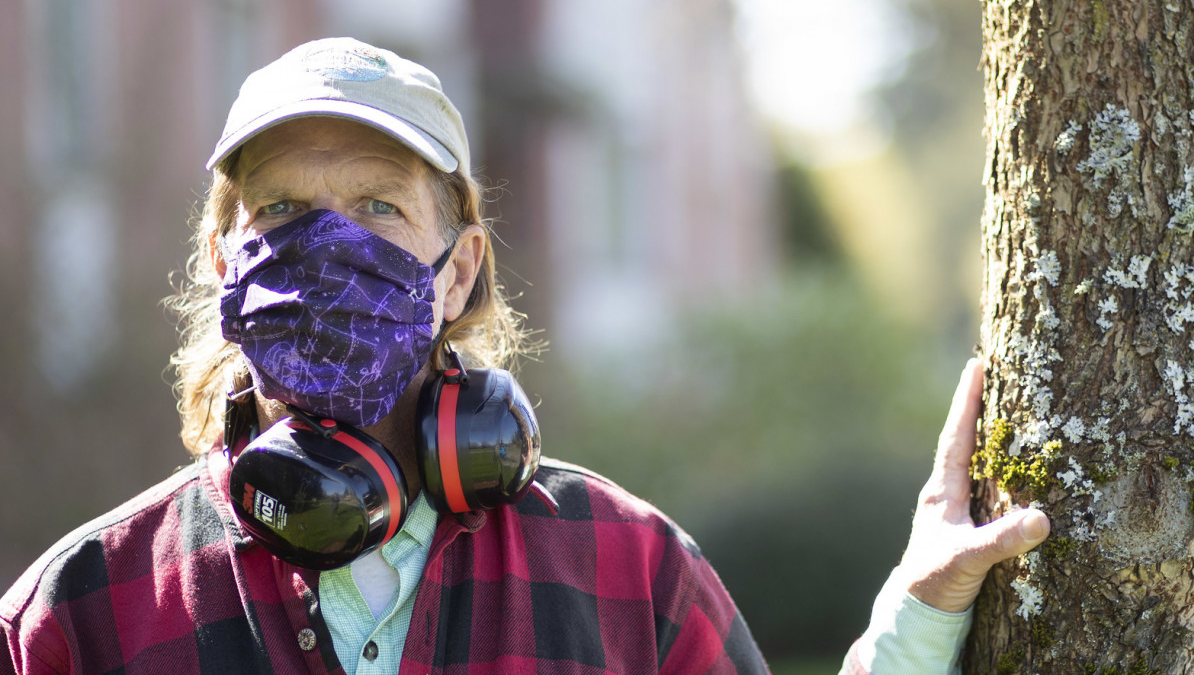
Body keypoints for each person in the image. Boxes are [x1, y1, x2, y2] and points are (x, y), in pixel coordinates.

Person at [0, 38, 1049, 674]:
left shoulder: (625, 570)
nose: (325, 245)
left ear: (456, 272)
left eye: (376, 206)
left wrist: (919, 609)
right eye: (281, 209)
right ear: (228, 259)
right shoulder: (77, 613)